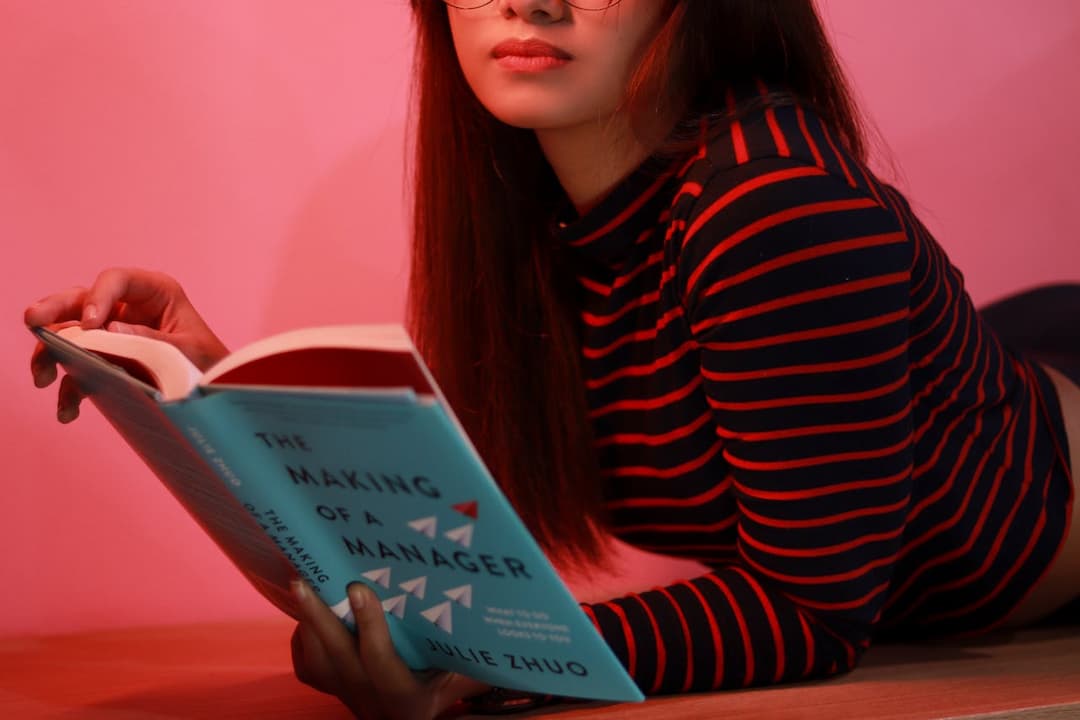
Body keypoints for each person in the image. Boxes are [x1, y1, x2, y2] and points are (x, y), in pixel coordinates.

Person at [25, 1, 1080, 718]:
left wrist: (489, 672)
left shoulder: (772, 205)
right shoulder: (540, 211)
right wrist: (215, 389)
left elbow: (812, 611)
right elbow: (455, 513)